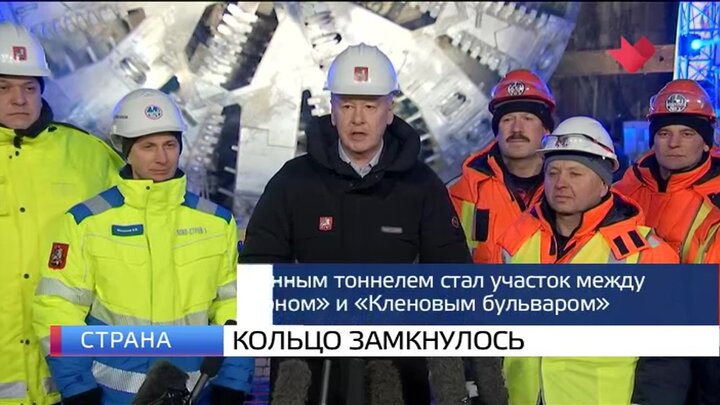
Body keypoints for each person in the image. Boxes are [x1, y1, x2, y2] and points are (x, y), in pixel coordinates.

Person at [239, 43, 486, 404]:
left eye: (370, 106)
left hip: (399, 378)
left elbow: (453, 283)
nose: (358, 119)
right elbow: (258, 275)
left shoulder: (422, 187)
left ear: (389, 111)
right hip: (311, 379)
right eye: (347, 105)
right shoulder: (292, 183)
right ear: (332, 111)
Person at [32, 89, 253, 404]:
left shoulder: (217, 222)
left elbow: (236, 307)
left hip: (196, 394)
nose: (161, 158)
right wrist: (78, 389)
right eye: (148, 146)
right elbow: (57, 309)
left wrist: (232, 382)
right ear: (126, 150)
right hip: (110, 397)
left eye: (170, 145)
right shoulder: (86, 222)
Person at [493, 116, 678, 404]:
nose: (561, 183)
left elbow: (666, 361)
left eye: (575, 174)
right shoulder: (517, 241)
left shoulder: (647, 254)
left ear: (603, 184)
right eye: (553, 173)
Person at [0, 22, 124, 405]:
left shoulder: (90, 157)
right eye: (3, 88)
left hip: (69, 380)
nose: (19, 99)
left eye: (29, 88)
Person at [448, 69, 555, 264]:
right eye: (507, 119)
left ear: (546, 129)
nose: (517, 128)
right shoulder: (459, 193)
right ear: (496, 131)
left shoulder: (568, 190)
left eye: (527, 118)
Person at [615, 79, 719, 261]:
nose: (673, 143)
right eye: (664, 133)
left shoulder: (715, 204)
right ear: (653, 141)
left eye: (687, 134)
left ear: (706, 144)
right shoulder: (623, 193)